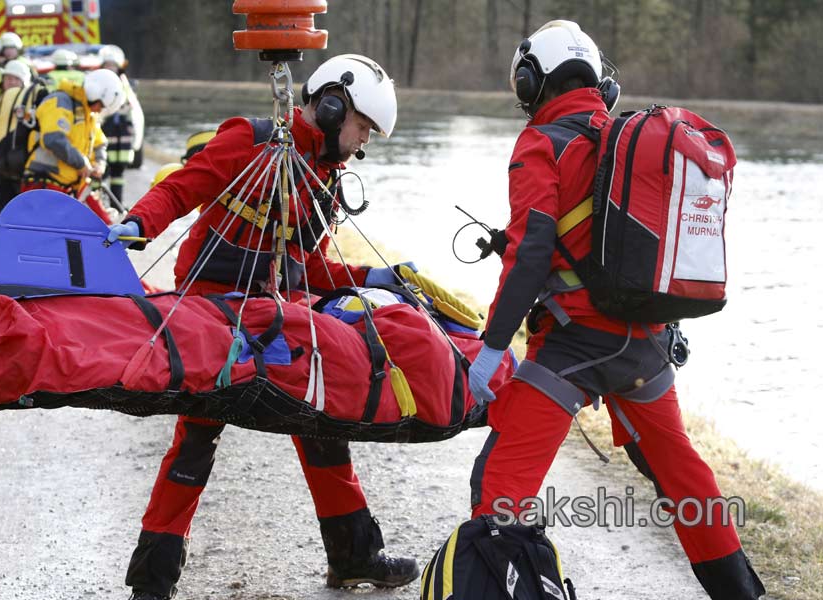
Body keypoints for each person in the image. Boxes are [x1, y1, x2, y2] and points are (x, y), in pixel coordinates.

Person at [466, 21, 766, 600]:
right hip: (647, 344)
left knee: (499, 484)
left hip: (575, 347)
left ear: (532, 82)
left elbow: (531, 254)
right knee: (682, 476)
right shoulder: (625, 136)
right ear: (600, 80)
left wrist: (493, 347)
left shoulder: (540, 143)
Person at [107, 54, 420, 600]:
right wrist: (139, 224)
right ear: (330, 106)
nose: (363, 142)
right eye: (362, 126)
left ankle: (354, 558)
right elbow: (183, 188)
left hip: (280, 311)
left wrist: (377, 275)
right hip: (213, 308)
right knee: (195, 439)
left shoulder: (325, 176)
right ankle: (152, 583)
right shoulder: (250, 140)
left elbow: (311, 265)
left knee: (324, 425)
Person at [21, 68, 121, 223]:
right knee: (47, 240)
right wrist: (82, 163)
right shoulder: (59, 102)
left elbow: (99, 143)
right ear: (96, 94)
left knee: (104, 225)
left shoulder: (89, 115)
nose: (99, 110)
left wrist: (99, 164)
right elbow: (53, 139)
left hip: (70, 187)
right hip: (44, 184)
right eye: (100, 106)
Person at [0, 59, 37, 217]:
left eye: (15, 79)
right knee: (5, 210)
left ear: (24, 81)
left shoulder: (33, 101)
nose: (10, 82)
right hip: (2, 163)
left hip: (24, 165)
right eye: (7, 78)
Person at [97, 44, 137, 204]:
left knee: (118, 173)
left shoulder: (123, 83)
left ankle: (116, 204)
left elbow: (130, 105)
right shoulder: (99, 80)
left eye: (113, 65)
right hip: (106, 129)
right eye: (108, 65)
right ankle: (97, 205)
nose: (110, 68)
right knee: (100, 171)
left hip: (121, 133)